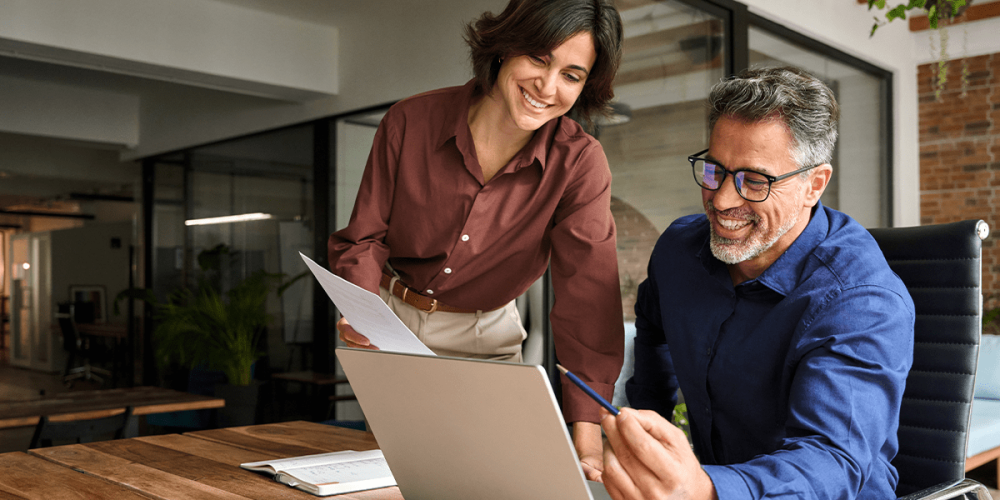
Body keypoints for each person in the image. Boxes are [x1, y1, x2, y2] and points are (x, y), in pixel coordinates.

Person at [327, 0, 625, 480]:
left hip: (486, 335)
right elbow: (365, 236)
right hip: (392, 323)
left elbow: (586, 298)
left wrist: (586, 433)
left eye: (572, 75)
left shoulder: (580, 163)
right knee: (402, 477)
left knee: (492, 480)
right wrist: (360, 309)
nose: (548, 88)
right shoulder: (411, 121)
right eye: (539, 59)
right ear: (505, 47)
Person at [600, 66, 915, 499]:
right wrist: (643, 440)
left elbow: (832, 461)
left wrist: (707, 490)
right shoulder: (678, 251)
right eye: (714, 170)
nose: (723, 200)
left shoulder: (862, 301)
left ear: (814, 185)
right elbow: (654, 333)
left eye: (755, 181)